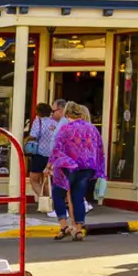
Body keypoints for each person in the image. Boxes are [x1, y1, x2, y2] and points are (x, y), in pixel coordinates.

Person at [49, 103, 106, 240]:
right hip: (87, 168)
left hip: (68, 167)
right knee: (78, 198)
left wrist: (50, 165)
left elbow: (57, 150)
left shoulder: (65, 129)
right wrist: (99, 171)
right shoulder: (92, 129)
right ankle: (79, 230)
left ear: (67, 114)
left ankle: (64, 226)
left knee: (58, 194)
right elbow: (100, 150)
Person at [24, 99, 64, 215]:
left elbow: (33, 136)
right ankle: (51, 203)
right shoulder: (56, 123)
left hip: (40, 154)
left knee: (34, 179)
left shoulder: (39, 121)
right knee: (47, 181)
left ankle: (44, 201)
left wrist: (25, 140)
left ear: (38, 112)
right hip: (52, 156)